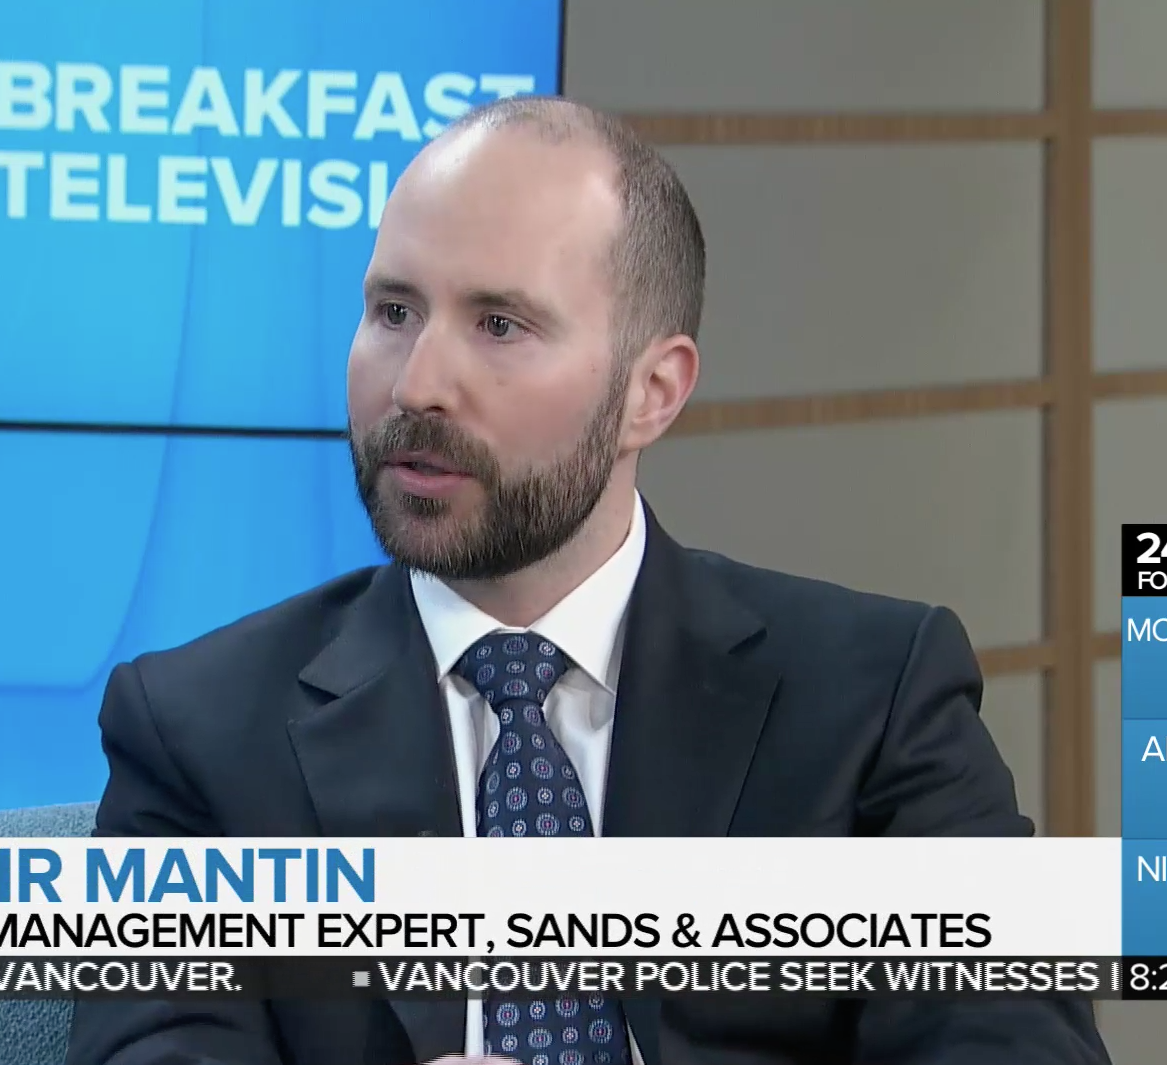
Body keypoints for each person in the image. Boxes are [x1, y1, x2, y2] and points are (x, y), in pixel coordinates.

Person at [66, 96, 1109, 1065]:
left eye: (499, 325)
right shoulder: (199, 732)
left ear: (652, 392)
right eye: (392, 311)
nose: (418, 383)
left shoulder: (871, 701)